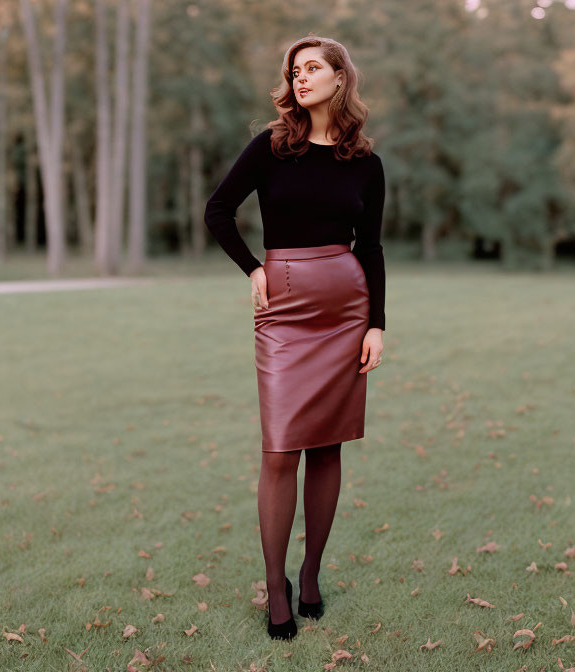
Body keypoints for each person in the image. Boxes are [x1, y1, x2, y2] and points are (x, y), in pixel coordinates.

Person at [203, 35, 386, 641]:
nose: (300, 78)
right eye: (294, 70)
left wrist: (377, 324)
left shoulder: (365, 163)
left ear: (340, 78)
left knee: (328, 446)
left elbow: (373, 248)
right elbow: (219, 210)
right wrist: (253, 268)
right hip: (283, 307)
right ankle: (275, 584)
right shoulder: (272, 148)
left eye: (313, 68)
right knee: (280, 449)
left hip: (346, 308)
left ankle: (311, 574)